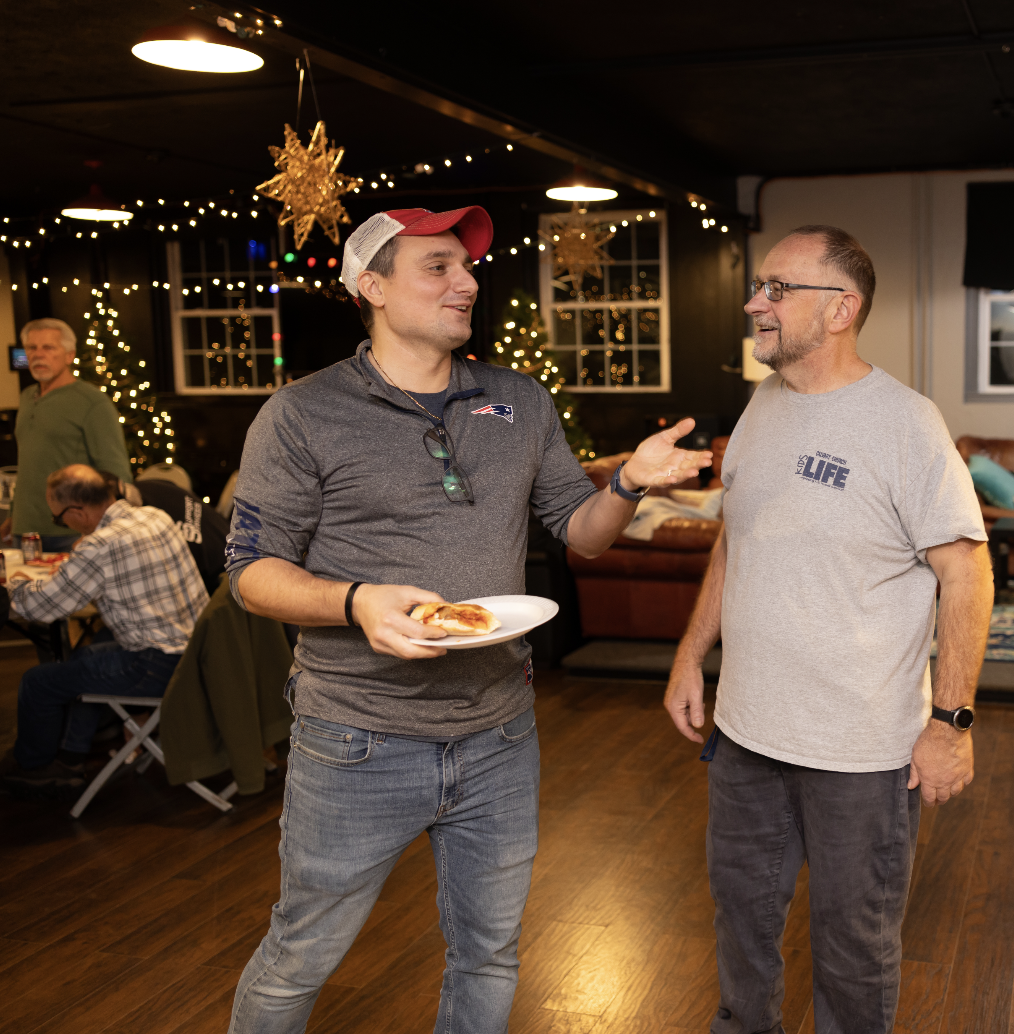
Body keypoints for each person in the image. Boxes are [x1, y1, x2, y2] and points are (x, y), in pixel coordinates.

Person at [223, 205, 710, 1034]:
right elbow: (251, 574)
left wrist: (628, 484)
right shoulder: (302, 412)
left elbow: (582, 534)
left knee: (489, 954)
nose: (468, 283)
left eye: (468, 265)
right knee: (302, 951)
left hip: (499, 735)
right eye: (439, 266)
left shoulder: (517, 400)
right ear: (373, 287)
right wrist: (354, 601)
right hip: (356, 740)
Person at [664, 225, 993, 1034]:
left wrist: (950, 724)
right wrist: (690, 654)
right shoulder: (762, 405)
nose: (755, 303)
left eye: (778, 289)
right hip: (745, 738)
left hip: (861, 755)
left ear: (841, 309)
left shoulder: (906, 423)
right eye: (758, 287)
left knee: (853, 952)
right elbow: (737, 537)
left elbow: (967, 574)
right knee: (741, 927)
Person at [0, 465, 209, 793]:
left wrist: (13, 588)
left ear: (77, 511)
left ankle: (34, 767)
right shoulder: (155, 516)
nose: (63, 524)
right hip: (196, 652)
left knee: (37, 682)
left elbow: (43, 607)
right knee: (84, 657)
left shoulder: (101, 545)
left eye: (59, 518)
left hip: (157, 665)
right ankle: (70, 759)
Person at [3, 318, 133, 551]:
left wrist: (106, 529)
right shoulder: (26, 397)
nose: (38, 355)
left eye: (48, 348)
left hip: (71, 530)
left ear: (69, 355)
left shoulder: (92, 402)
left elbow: (115, 473)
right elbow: (27, 464)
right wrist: (14, 515)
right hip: (25, 528)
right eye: (32, 348)